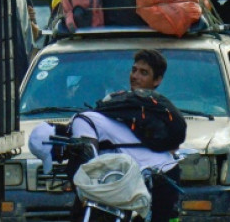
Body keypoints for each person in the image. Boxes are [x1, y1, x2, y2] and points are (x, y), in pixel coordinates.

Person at [69, 49, 180, 222]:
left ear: (157, 80)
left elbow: (172, 145)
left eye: (143, 73)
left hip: (154, 180)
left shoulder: (163, 111)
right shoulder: (114, 100)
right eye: (134, 70)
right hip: (116, 178)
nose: (135, 76)